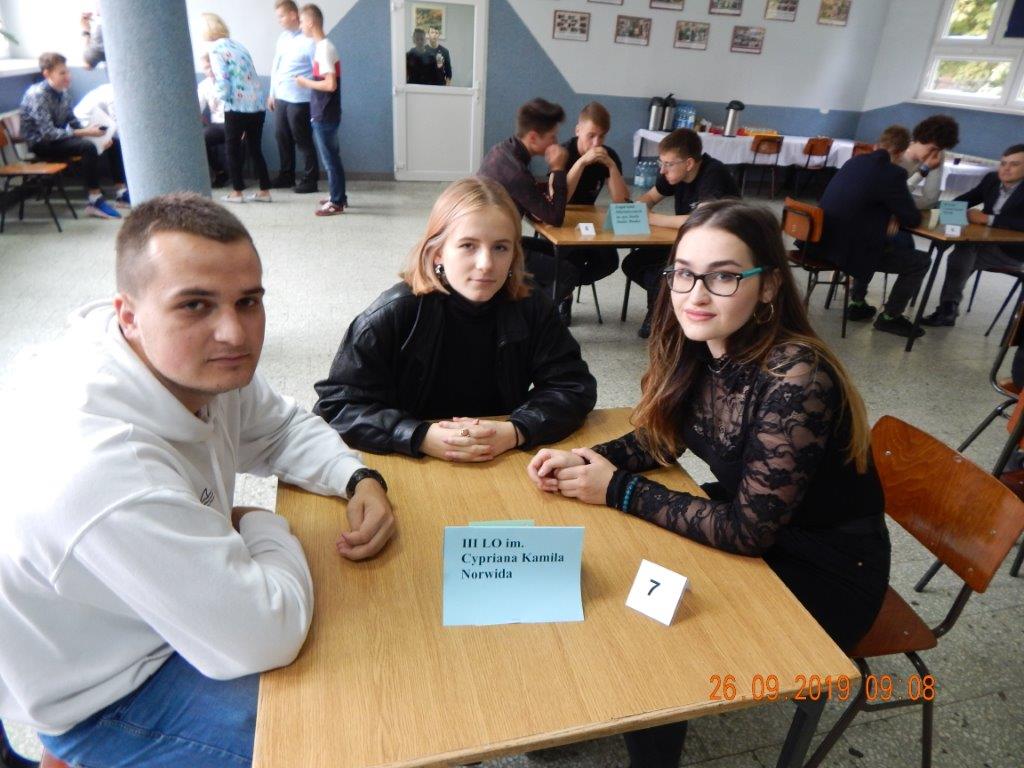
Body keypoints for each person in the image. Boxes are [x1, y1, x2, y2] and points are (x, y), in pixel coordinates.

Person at [0, 193, 395, 767]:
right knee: (353, 740)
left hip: (157, 606)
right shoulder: (106, 469)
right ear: (128, 314)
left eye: (248, 301)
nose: (234, 333)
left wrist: (357, 477)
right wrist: (262, 525)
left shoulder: (192, 369)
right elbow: (266, 634)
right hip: (105, 691)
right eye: (195, 305)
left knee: (370, 664)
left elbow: (282, 427)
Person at [527, 200, 889, 768]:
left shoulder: (797, 376)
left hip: (824, 566)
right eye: (684, 273)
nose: (695, 294)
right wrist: (583, 460)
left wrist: (618, 488)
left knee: (651, 633)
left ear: (769, 286)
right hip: (761, 525)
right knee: (615, 572)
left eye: (723, 276)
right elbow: (662, 438)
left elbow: (748, 532)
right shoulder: (703, 342)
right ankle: (606, 702)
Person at [312, 176, 597, 459]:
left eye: (500, 247)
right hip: (413, 460)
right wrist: (418, 435)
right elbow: (336, 406)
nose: (486, 264)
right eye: (468, 245)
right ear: (437, 252)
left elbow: (573, 386)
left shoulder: (532, 307)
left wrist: (516, 430)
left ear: (514, 254)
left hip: (499, 457)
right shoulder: (393, 312)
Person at [622, 128, 740, 338]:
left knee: (659, 275)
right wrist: (637, 209)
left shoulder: (714, 174)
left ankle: (659, 315)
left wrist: (653, 219)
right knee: (632, 263)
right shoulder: (673, 175)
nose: (662, 170)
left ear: (689, 164)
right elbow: (650, 197)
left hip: (718, 251)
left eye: (668, 164)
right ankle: (663, 308)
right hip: (689, 244)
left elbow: (702, 219)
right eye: (661, 163)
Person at [811, 125, 927, 337]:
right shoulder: (893, 173)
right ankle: (890, 317)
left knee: (874, 236)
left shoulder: (853, 162)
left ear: (877, 145)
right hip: (848, 252)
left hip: (819, 243)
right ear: (900, 153)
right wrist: (895, 214)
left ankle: (857, 302)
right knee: (920, 261)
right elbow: (912, 218)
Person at [478, 98, 578, 311]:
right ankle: (529, 316)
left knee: (564, 252)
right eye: (552, 136)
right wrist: (558, 168)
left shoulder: (502, 150)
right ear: (533, 137)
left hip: (493, 238)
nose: (556, 142)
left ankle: (524, 299)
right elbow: (555, 217)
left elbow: (527, 192)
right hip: (495, 247)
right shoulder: (516, 172)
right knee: (568, 273)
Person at [922, 144, 1024, 327]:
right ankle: (948, 308)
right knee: (963, 248)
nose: (1006, 169)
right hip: (982, 242)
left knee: (962, 252)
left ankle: (948, 308)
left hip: (1011, 251)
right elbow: (962, 201)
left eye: (1014, 164)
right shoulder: (992, 179)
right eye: (1003, 163)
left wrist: (989, 219)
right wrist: (946, 212)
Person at [19, 52, 127, 219]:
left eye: (68, 71)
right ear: (47, 73)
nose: (68, 76)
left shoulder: (63, 93)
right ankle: (94, 200)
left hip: (60, 138)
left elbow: (72, 121)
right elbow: (48, 133)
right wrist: (85, 133)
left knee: (111, 140)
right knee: (87, 147)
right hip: (41, 143)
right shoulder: (37, 95)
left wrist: (95, 134)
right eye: (62, 73)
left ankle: (121, 192)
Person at [554, 101, 630, 323]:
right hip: (560, 221)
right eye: (591, 136)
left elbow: (621, 201)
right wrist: (581, 163)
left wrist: (612, 167)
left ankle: (564, 285)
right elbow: (561, 199)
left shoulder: (608, 155)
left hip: (589, 223)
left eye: (602, 137)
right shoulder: (562, 153)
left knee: (609, 262)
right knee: (571, 259)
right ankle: (564, 295)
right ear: (578, 130)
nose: (596, 143)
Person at [202, 13, 272, 203]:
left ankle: (237, 192)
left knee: (232, 148)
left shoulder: (215, 49)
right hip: (257, 103)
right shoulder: (239, 46)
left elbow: (223, 79)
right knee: (255, 149)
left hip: (237, 105)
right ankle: (265, 190)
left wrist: (220, 98)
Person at [296, 3, 348, 216]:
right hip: (326, 112)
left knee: (330, 160)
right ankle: (339, 196)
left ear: (310, 22)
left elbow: (330, 84)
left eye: (301, 21)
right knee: (332, 157)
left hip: (325, 114)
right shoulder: (324, 47)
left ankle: (336, 202)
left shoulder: (324, 48)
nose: (300, 26)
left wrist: (305, 82)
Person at [268, 0, 319, 193]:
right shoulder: (283, 38)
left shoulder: (309, 40)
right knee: (282, 136)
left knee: (302, 139)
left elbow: (318, 71)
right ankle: (286, 176)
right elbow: (276, 66)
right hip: (281, 97)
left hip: (301, 99)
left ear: (293, 15)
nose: (279, 20)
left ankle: (310, 180)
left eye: (281, 16)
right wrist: (272, 93)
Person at [197, 53, 229, 187]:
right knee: (201, 139)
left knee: (237, 139)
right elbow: (197, 107)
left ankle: (236, 177)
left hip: (233, 122)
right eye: (206, 68)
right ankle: (220, 172)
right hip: (217, 125)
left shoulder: (230, 81)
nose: (209, 70)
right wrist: (198, 117)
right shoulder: (204, 85)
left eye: (211, 66)